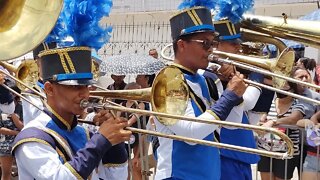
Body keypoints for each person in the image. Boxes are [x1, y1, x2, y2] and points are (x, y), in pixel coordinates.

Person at [153, 7, 247, 180]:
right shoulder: (168, 79)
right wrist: (229, 97)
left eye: (212, 43)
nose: (211, 49)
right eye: (205, 43)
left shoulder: (206, 79)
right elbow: (191, 134)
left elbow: (232, 124)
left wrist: (232, 90)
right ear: (182, 45)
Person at [12, 46, 133, 179]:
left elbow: (116, 177)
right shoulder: (32, 137)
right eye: (75, 87)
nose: (85, 94)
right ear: (50, 89)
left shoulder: (84, 133)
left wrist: (114, 142)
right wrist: (102, 140)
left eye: (86, 86)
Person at [213, 19, 262, 180]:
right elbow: (249, 102)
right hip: (225, 150)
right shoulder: (208, 74)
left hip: (237, 148)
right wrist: (255, 76)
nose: (239, 48)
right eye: (234, 43)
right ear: (216, 45)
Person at [259, 66, 320, 180]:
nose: (304, 79)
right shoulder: (272, 100)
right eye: (300, 77)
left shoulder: (299, 102)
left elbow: (295, 119)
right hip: (266, 149)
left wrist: (272, 122)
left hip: (295, 151)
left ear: (292, 89)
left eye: (306, 76)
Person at [21, 42, 56, 125]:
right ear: (36, 62)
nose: (51, 65)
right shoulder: (30, 90)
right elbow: (39, 117)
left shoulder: (58, 85)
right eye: (46, 60)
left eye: (53, 60)